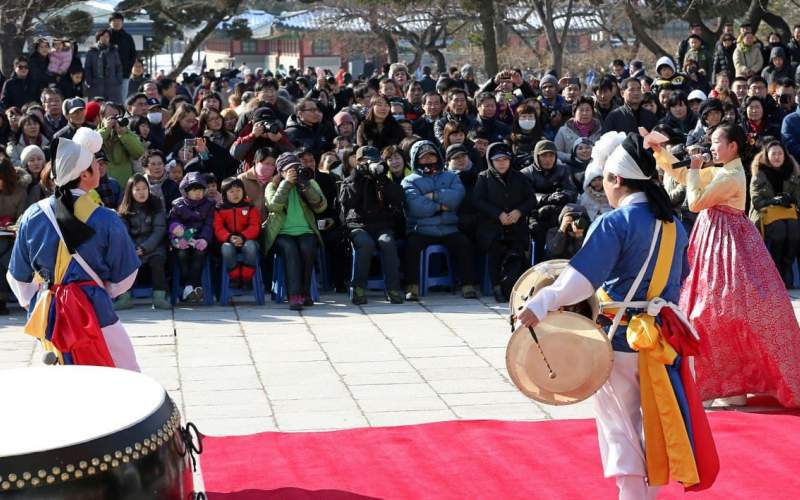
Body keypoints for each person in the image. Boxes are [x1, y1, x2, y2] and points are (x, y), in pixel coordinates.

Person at [516, 131, 718, 499]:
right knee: (655, 424)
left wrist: (543, 302)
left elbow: (580, 281)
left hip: (620, 339)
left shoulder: (615, 222)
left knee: (620, 427)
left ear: (616, 180)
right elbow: (681, 276)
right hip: (662, 339)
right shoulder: (675, 224)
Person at [653, 123, 800, 407]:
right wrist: (661, 152)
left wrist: (695, 167)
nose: (710, 146)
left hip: (728, 247)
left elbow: (694, 202)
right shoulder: (723, 171)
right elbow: (685, 176)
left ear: (733, 146)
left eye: (715, 141)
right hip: (715, 243)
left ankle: (731, 385)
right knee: (711, 312)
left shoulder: (732, 175)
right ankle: (724, 386)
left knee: (721, 311)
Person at [7, 133, 140, 370]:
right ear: (84, 174)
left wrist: (35, 299)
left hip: (48, 311)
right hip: (95, 308)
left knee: (60, 376)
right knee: (120, 372)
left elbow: (18, 276)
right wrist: (102, 291)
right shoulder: (107, 219)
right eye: (96, 165)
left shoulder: (31, 215)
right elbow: (125, 276)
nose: (100, 168)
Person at [401, 140, 478, 301]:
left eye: (431, 155)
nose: (428, 160)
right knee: (411, 245)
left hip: (449, 227)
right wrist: (441, 206)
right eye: (423, 157)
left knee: (463, 243)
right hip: (421, 228)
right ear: (416, 159)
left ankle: (467, 285)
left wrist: (433, 196)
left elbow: (457, 197)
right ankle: (412, 286)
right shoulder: (409, 181)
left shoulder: (451, 177)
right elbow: (416, 207)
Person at [262, 152, 327, 311]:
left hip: (306, 230)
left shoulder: (308, 182)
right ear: (282, 172)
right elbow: (273, 206)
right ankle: (294, 295)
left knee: (307, 248)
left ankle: (305, 293)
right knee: (290, 249)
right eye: (290, 169)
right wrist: (286, 184)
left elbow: (321, 206)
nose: (295, 172)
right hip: (281, 232)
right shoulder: (272, 186)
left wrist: (305, 186)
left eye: (297, 168)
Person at [339, 149, 405, 305]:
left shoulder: (382, 179)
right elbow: (348, 202)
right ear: (358, 162)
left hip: (382, 225)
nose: (369, 164)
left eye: (372, 161)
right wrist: (357, 177)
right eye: (364, 161)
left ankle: (393, 289)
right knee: (365, 244)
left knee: (388, 243)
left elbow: (398, 198)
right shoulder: (350, 179)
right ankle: (358, 288)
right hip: (358, 225)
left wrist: (382, 179)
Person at [472, 142, 536, 302]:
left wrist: (518, 211)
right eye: (497, 160)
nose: (502, 163)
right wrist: (497, 214)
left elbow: (531, 200)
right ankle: (496, 287)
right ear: (491, 161)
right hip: (492, 227)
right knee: (494, 250)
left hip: (516, 227)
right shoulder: (483, 177)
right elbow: (478, 201)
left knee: (517, 253)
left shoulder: (519, 177)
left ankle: (516, 286)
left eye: (505, 159)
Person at [749, 140, 800, 287]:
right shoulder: (759, 173)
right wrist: (773, 201)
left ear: (785, 156)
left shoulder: (792, 172)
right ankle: (775, 268)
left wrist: (790, 199)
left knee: (794, 228)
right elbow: (756, 200)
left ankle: (787, 266)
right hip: (765, 212)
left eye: (780, 154)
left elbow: (798, 198)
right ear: (767, 156)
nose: (777, 157)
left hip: (788, 213)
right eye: (773, 154)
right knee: (778, 229)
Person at [115, 173, 170, 310]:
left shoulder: (156, 203)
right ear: (130, 191)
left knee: (157, 261)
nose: (141, 193)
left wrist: (145, 248)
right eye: (137, 189)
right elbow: (123, 233)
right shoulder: (124, 208)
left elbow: (159, 230)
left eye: (144, 188)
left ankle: (159, 297)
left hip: (153, 247)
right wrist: (133, 248)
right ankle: (124, 297)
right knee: (123, 261)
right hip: (131, 248)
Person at [168, 171, 214, 303]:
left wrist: (204, 239)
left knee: (199, 254)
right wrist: (176, 232)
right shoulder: (178, 205)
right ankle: (195, 286)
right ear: (186, 192)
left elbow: (209, 224)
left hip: (200, 240)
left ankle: (189, 288)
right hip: (183, 239)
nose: (198, 193)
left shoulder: (209, 204)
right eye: (194, 190)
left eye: (200, 189)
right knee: (182, 254)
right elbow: (172, 222)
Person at [214, 177, 261, 289]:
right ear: (225, 194)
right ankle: (234, 277)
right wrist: (230, 238)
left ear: (243, 191)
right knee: (226, 248)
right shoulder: (220, 209)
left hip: (249, 240)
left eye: (238, 190)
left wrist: (243, 237)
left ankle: (247, 278)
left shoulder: (250, 207)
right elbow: (218, 228)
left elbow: (255, 226)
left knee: (250, 247)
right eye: (231, 191)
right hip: (228, 241)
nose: (235, 194)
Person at [0, 159, 28, 314]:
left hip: (12, 236)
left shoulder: (20, 192)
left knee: (6, 256)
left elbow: (22, 217)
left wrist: (10, 225)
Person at [555, 96, 603, 163]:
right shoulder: (563, 131)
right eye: (581, 110)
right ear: (574, 113)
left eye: (587, 110)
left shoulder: (600, 130)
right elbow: (557, 152)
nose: (584, 113)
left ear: (592, 112)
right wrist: (572, 158)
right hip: (570, 168)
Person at [84, 29, 123, 103]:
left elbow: (118, 66)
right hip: (96, 85)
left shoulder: (113, 50)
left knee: (114, 107)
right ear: (98, 37)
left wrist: (118, 80)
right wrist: (90, 82)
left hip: (112, 85)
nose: (105, 38)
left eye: (107, 36)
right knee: (97, 106)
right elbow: (88, 68)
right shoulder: (91, 51)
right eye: (103, 36)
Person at [109, 12, 137, 103]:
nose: (117, 23)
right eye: (114, 21)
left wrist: (128, 69)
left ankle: (121, 116)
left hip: (124, 73)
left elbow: (133, 55)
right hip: (107, 75)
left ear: (122, 23)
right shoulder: (105, 36)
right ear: (110, 22)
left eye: (119, 21)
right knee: (108, 100)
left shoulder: (127, 37)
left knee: (122, 99)